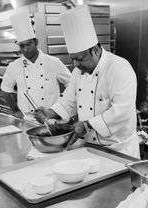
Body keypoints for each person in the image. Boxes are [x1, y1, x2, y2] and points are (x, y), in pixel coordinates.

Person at [34, 5, 140, 158]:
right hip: (89, 148)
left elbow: (121, 112)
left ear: (95, 51)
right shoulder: (79, 71)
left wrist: (86, 125)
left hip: (119, 150)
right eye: (73, 59)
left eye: (80, 59)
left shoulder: (119, 68)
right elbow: (69, 100)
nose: (76, 65)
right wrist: (51, 112)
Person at [1, 11, 71, 119]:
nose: (25, 49)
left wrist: (61, 108)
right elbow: (5, 89)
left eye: (28, 44)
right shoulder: (14, 66)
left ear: (36, 42)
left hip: (52, 119)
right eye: (22, 46)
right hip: (27, 120)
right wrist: (15, 110)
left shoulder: (53, 63)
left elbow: (71, 84)